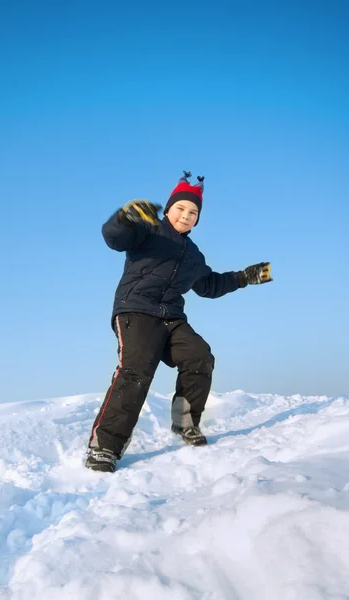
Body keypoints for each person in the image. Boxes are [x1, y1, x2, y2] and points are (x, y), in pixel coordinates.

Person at [86, 171, 272, 473]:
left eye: (193, 212)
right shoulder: (148, 232)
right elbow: (114, 238)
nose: (186, 215)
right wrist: (125, 217)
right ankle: (104, 447)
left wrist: (244, 278)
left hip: (171, 318)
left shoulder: (194, 256)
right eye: (181, 208)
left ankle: (185, 422)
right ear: (169, 209)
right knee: (136, 371)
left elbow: (209, 285)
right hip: (136, 311)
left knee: (200, 356)